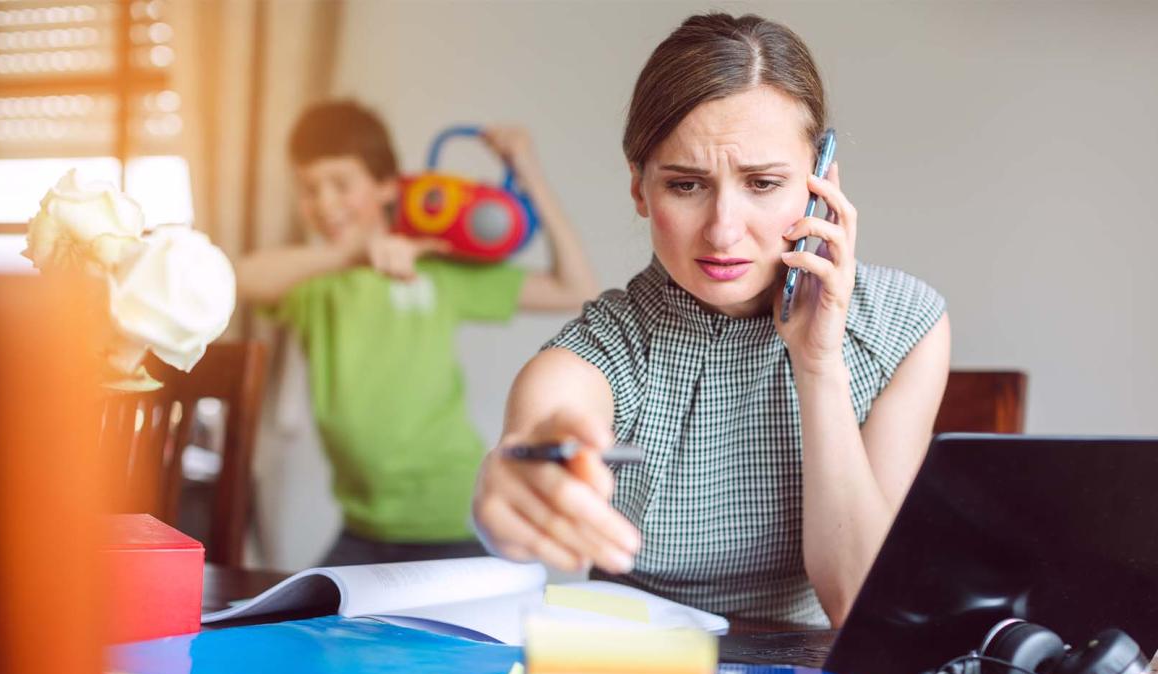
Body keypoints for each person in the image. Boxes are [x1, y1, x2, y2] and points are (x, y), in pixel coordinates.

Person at [471, 13, 951, 627]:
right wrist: (515, 474)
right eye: (687, 185)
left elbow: (861, 606)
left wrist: (818, 364)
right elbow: (544, 425)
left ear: (819, 182)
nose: (724, 231)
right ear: (641, 189)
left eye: (762, 183)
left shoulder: (907, 327)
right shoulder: (604, 348)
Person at [237, 100, 598, 566]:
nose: (325, 203)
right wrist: (353, 254)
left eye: (340, 184)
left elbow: (576, 288)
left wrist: (527, 170)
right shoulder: (314, 285)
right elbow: (241, 278)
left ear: (389, 186)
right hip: (362, 528)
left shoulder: (436, 270)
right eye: (310, 188)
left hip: (453, 520)